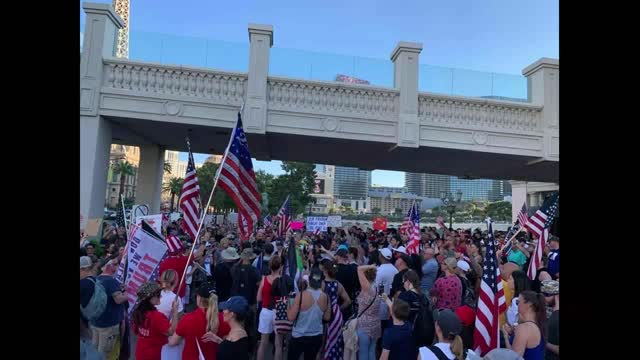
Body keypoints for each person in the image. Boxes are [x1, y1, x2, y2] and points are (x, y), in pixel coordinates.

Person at [168, 283, 230, 360]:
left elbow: (172, 342)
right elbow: (227, 345)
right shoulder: (223, 319)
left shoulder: (188, 319)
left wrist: (175, 312)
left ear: (199, 298)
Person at [286, 268, 331, 360]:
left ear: (309, 280)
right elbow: (327, 317)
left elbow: (290, 317)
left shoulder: (301, 295)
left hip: (299, 335)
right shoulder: (325, 296)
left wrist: (288, 304)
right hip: (316, 335)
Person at [90, 259, 128, 358]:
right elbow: (118, 300)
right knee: (106, 354)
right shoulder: (111, 281)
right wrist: (127, 294)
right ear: (108, 267)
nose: (118, 266)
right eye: (115, 264)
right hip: (109, 325)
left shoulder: (96, 279)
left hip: (96, 322)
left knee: (95, 351)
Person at [132, 282, 179, 360]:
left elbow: (136, 331)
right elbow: (171, 332)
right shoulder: (157, 317)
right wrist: (175, 311)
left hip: (140, 352)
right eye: (158, 295)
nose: (160, 296)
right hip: (153, 354)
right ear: (150, 299)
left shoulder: (137, 312)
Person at [202, 296, 253, 360]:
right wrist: (218, 340)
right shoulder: (237, 332)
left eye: (225, 308)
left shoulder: (238, 336)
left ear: (232, 314)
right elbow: (232, 349)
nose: (223, 311)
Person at [320, 258, 351, 360]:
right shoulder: (338, 284)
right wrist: (338, 307)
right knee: (335, 341)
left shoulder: (322, 284)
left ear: (325, 270)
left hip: (324, 314)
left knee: (322, 341)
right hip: (337, 315)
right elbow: (348, 301)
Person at [256, 255, 285, 360]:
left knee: (263, 343)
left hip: (266, 311)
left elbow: (258, 298)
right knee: (278, 345)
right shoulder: (284, 280)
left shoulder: (264, 279)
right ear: (281, 266)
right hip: (279, 312)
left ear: (270, 266)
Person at [502, 291, 546, 360]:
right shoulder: (537, 324)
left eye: (518, 302)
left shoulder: (524, 328)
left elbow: (513, 358)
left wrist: (506, 338)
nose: (517, 305)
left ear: (528, 305)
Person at [355, 264, 381, 360]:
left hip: (364, 325)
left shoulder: (367, 289)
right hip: (376, 323)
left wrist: (371, 266)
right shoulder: (377, 288)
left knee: (363, 352)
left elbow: (359, 269)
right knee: (372, 351)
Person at [156, 270, 184, 360]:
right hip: (167, 334)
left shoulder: (155, 294)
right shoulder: (176, 299)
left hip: (154, 332)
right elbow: (178, 323)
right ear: (176, 282)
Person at [375, 248, 399, 329]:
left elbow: (375, 288)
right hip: (391, 303)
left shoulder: (379, 270)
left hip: (380, 304)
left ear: (381, 256)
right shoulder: (395, 270)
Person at [335, 247, 359, 319]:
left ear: (338, 256)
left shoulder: (334, 270)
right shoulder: (352, 269)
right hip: (349, 301)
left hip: (337, 302)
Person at [542, 280, 559, 360]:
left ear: (557, 296)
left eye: (547, 294)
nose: (543, 297)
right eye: (542, 294)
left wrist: (544, 343)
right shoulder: (542, 308)